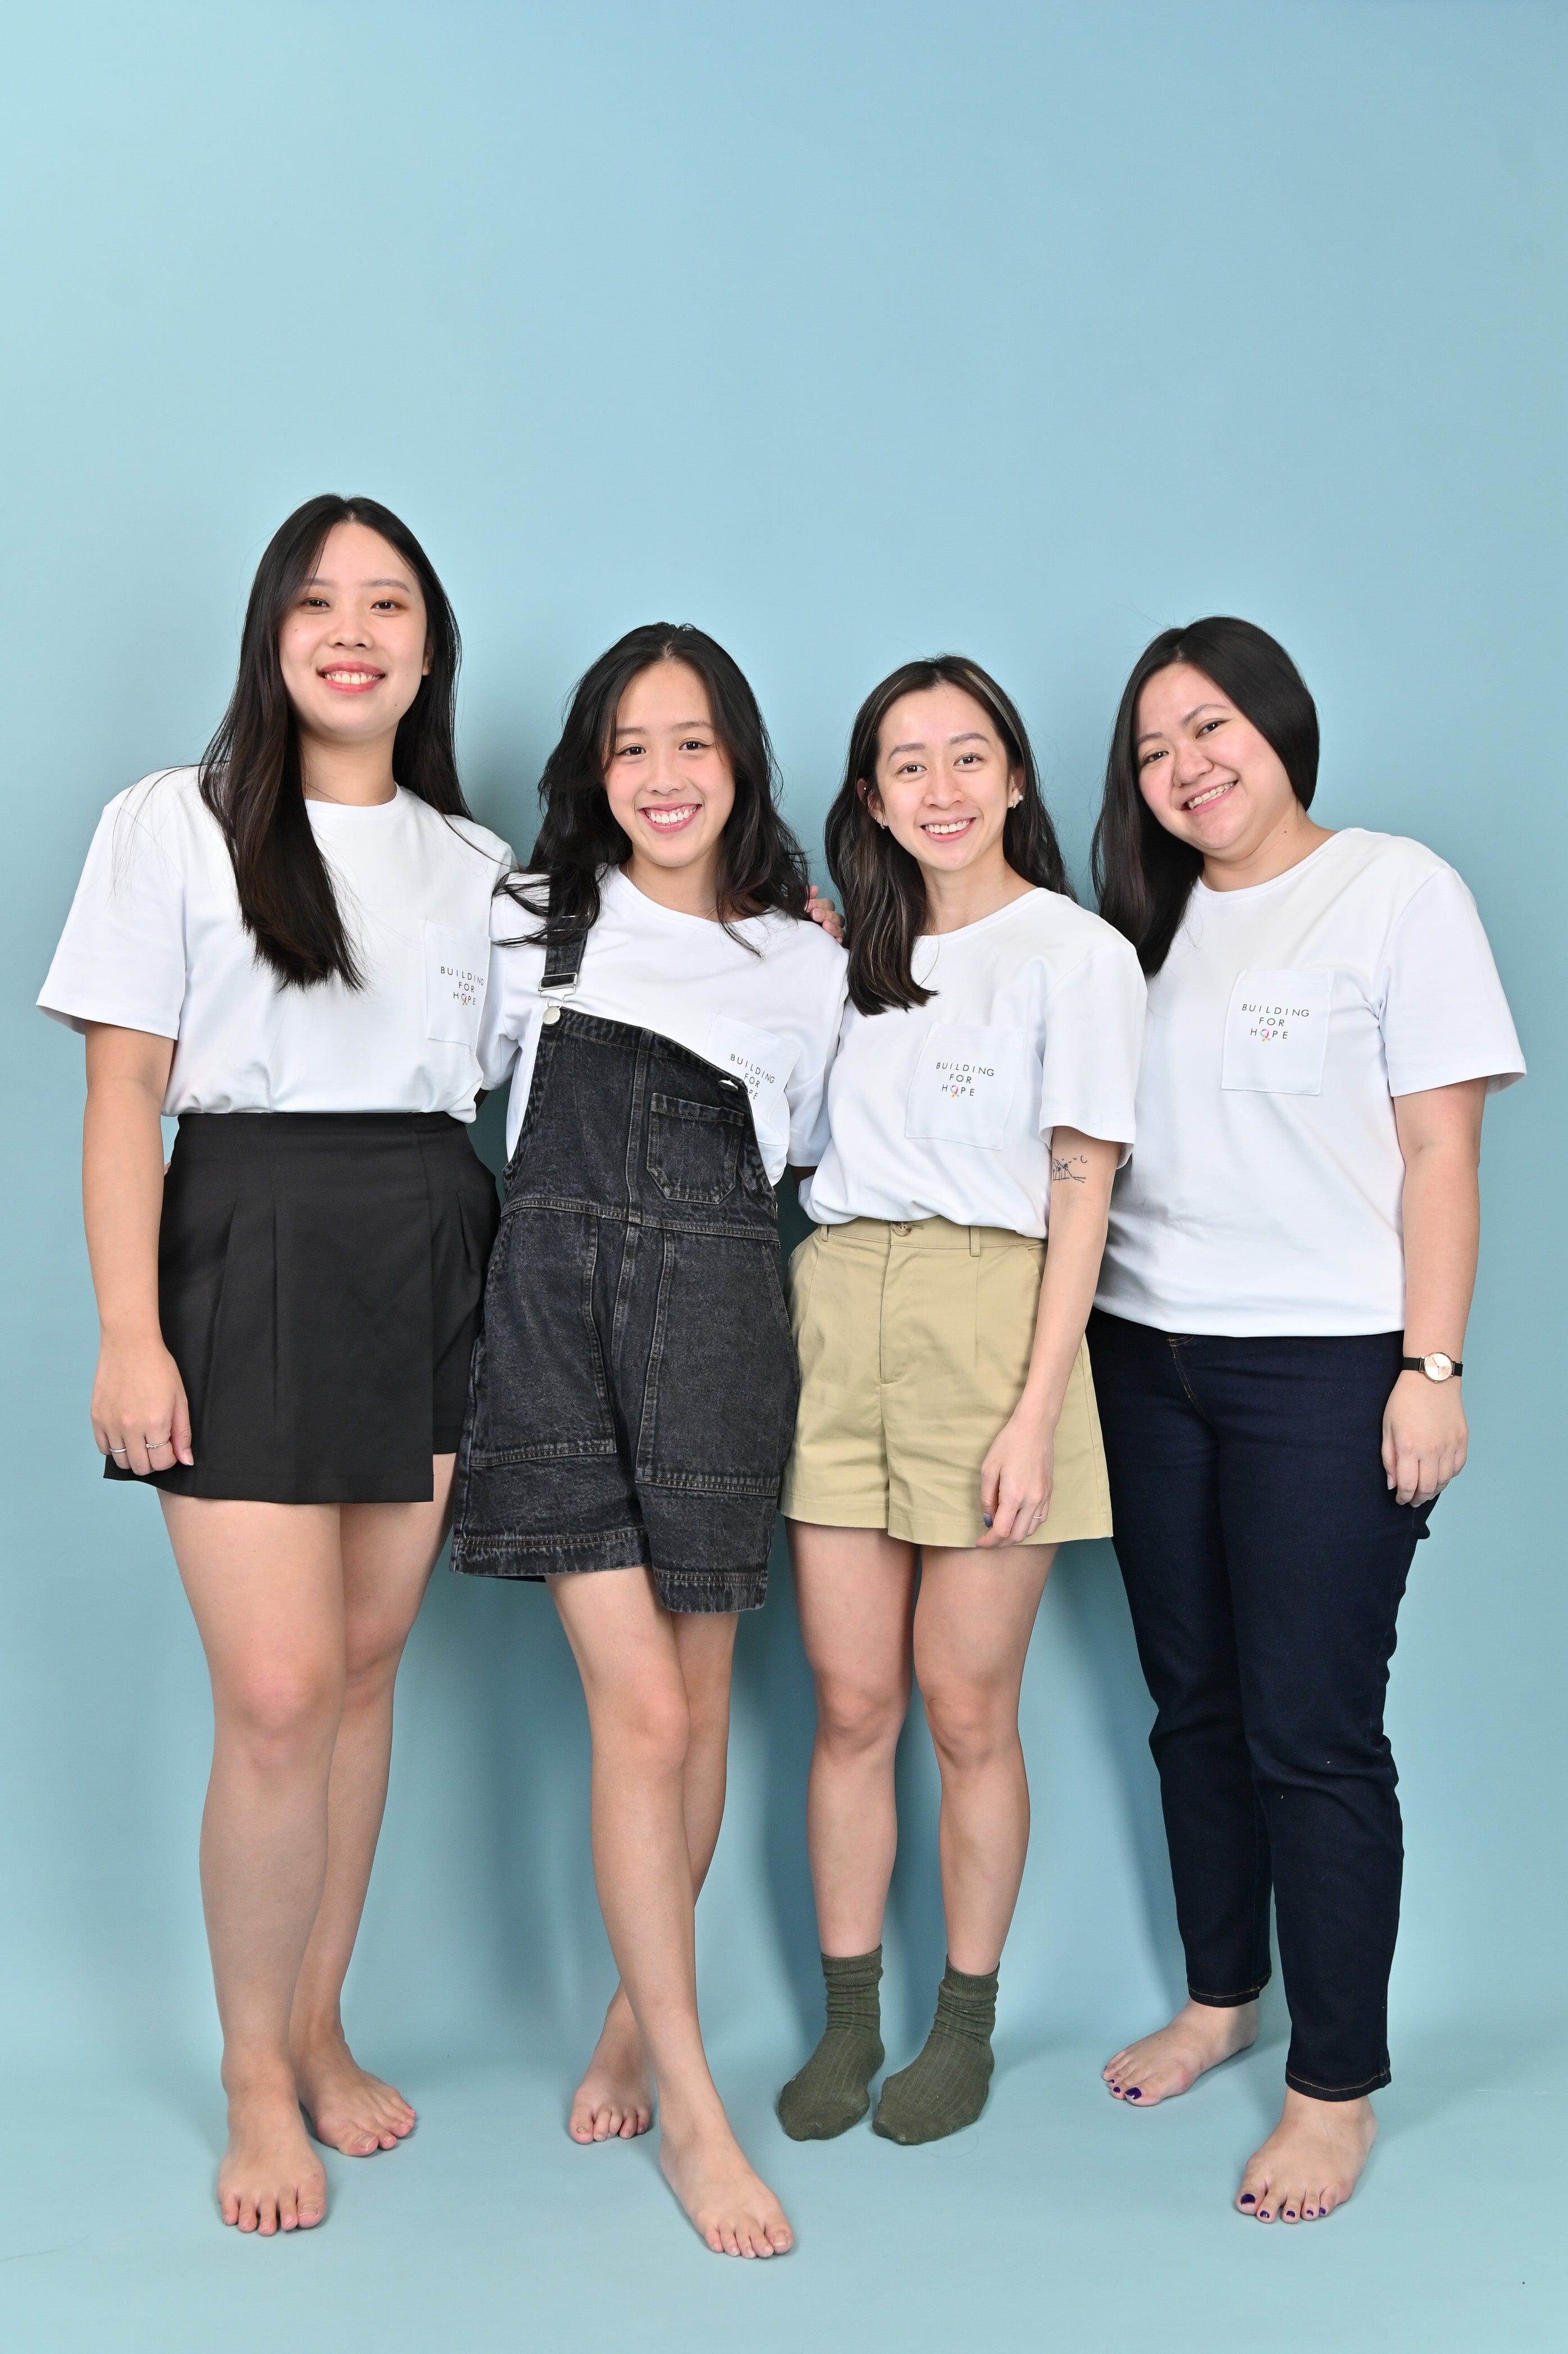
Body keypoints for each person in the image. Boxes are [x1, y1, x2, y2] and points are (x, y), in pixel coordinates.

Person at [38, 495, 510, 2236]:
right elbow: (119, 1095)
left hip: (431, 1236)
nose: (353, 631)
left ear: (429, 651)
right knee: (283, 1691)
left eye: (389, 604)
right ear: (272, 633)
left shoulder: (480, 866)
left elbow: (606, 1035)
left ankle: (319, 2024)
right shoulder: (173, 821)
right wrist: (129, 1329)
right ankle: (254, 2073)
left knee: (367, 1672)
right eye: (319, 602)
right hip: (243, 1235)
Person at [1087, 615, 1525, 2224]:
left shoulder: (1397, 892)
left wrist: (1433, 1367)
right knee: (1192, 1707)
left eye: (1211, 727)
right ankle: (1223, 1996)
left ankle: (1335, 2085)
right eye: (1153, 749)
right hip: (1145, 1359)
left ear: (1280, 724)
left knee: (1313, 1731)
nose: (1187, 766)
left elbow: (1441, 1153)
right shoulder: (1138, 928)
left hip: (1330, 1371)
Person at [453, 623, 846, 2257]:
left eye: (693, 743)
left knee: (693, 1706)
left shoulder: (808, 960)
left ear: (739, 761)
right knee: (644, 1712)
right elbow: (434, 1084)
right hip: (550, 1328)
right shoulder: (528, 916)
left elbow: (823, 1168)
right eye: (630, 747)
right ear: (593, 771)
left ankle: (636, 2016)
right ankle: (695, 2107)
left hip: (720, 1329)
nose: (664, 776)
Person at [776, 656, 1146, 2146]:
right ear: (871, 798)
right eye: (908, 764)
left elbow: (1084, 1191)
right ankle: (848, 2019)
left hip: (997, 1317)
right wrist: (799, 948)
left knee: (967, 1705)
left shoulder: (1076, 954)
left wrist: (1035, 1410)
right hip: (836, 1306)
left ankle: (965, 2025)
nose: (942, 788)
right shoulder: (840, 962)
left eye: (969, 754)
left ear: (1016, 776)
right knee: (851, 1702)